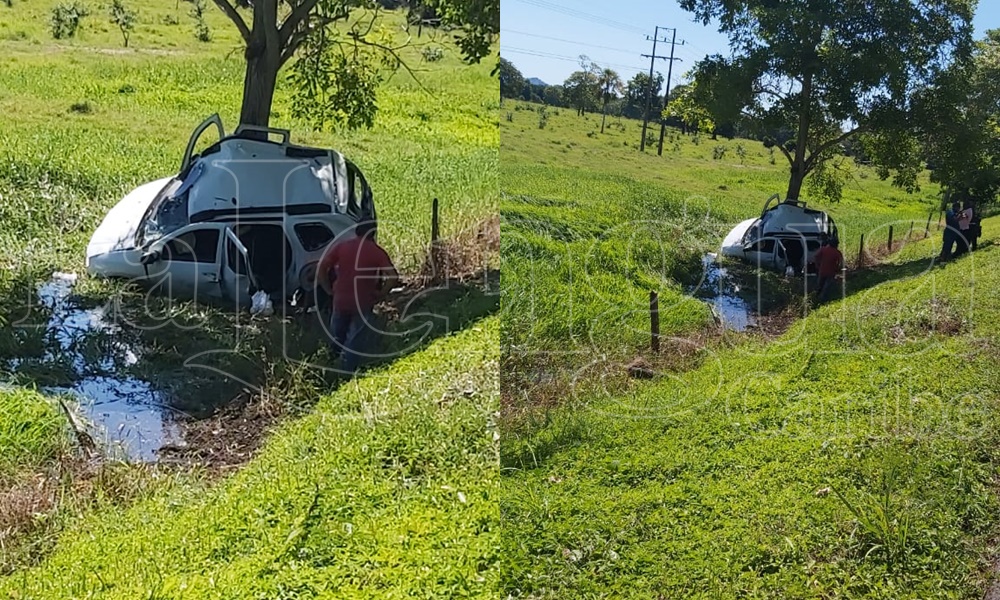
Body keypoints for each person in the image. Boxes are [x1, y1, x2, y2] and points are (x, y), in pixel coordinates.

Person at [316, 221, 399, 375]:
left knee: (336, 338)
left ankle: (326, 370)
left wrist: (328, 289)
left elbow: (321, 267)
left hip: (340, 299)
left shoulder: (342, 247)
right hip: (363, 301)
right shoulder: (377, 252)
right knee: (354, 342)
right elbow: (393, 277)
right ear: (373, 234)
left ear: (356, 231)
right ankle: (346, 376)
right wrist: (381, 294)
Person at [810, 237, 844, 304]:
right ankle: (823, 301)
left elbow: (816, 257)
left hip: (822, 271)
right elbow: (841, 263)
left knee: (819, 286)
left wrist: (817, 265)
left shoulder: (823, 249)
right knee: (827, 288)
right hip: (831, 273)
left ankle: (815, 299)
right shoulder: (837, 253)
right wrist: (837, 269)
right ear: (836, 244)